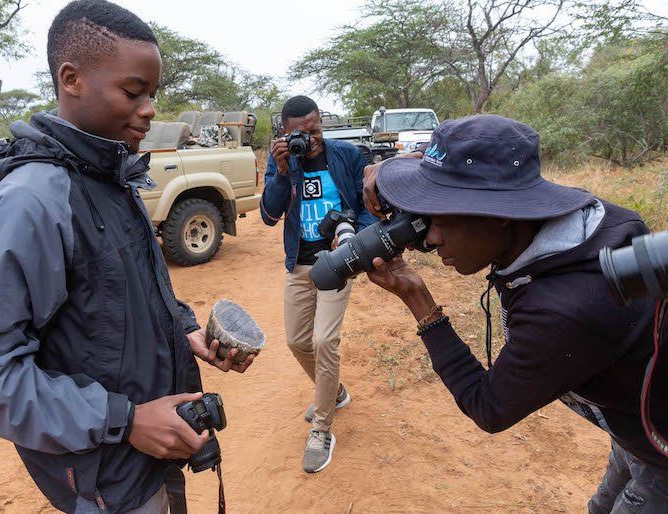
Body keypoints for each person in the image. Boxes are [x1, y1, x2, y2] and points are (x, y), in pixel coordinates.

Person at [0, 2, 253, 513]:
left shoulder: (110, 175)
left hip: (151, 455)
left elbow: (123, 295)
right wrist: (124, 420)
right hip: (106, 474)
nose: (149, 108)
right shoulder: (34, 200)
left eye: (152, 94)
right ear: (71, 79)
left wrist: (184, 329)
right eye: (133, 92)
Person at [363, 114, 668, 512]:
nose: (430, 239)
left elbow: (488, 406)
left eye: (439, 220)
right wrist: (391, 171)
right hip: (634, 425)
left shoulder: (563, 311)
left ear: (501, 212)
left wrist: (419, 299)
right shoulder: (588, 223)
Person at [260, 96, 375, 473]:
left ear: (321, 121)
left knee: (325, 341)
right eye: (299, 133)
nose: (309, 139)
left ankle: (322, 428)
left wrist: (352, 238)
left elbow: (365, 205)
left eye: (315, 129)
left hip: (336, 262)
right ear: (285, 132)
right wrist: (280, 171)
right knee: (296, 341)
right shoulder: (282, 160)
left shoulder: (346, 155)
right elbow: (269, 215)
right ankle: (335, 393)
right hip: (299, 265)